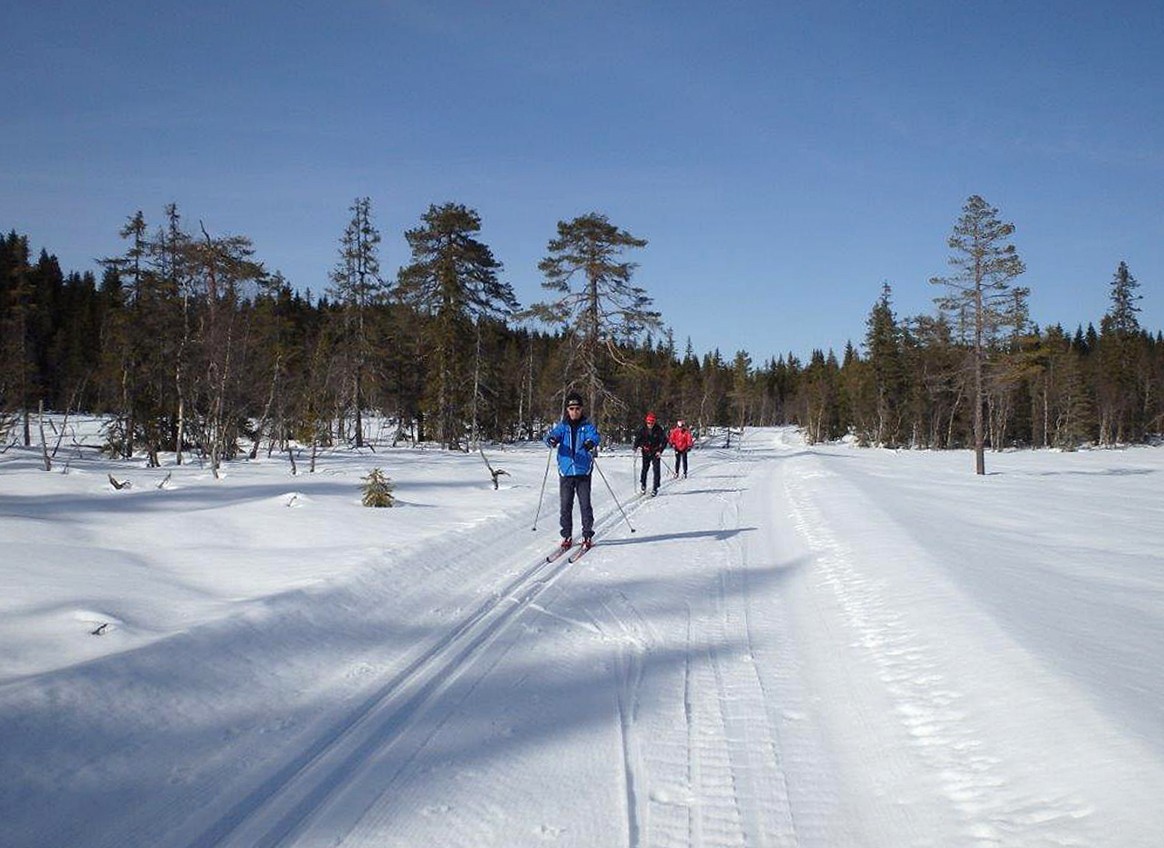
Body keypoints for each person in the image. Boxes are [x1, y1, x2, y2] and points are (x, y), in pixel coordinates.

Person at [543, 390, 601, 550]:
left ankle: (587, 535)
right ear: (567, 410)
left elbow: (595, 436)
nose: (574, 412)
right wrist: (551, 440)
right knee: (565, 506)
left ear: (581, 409)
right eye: (571, 409)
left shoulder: (587, 426)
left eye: (577, 408)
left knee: (585, 505)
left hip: (583, 472)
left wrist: (591, 442)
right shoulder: (562, 427)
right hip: (566, 471)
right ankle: (566, 535)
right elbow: (550, 436)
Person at [633, 411, 666, 496]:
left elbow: (664, 441)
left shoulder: (659, 429)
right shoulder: (642, 429)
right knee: (644, 469)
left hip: (655, 451)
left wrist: (660, 451)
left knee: (656, 470)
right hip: (646, 451)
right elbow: (638, 439)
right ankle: (643, 484)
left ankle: (655, 488)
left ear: (654, 422)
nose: (650, 424)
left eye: (651, 423)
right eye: (648, 423)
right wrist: (636, 447)